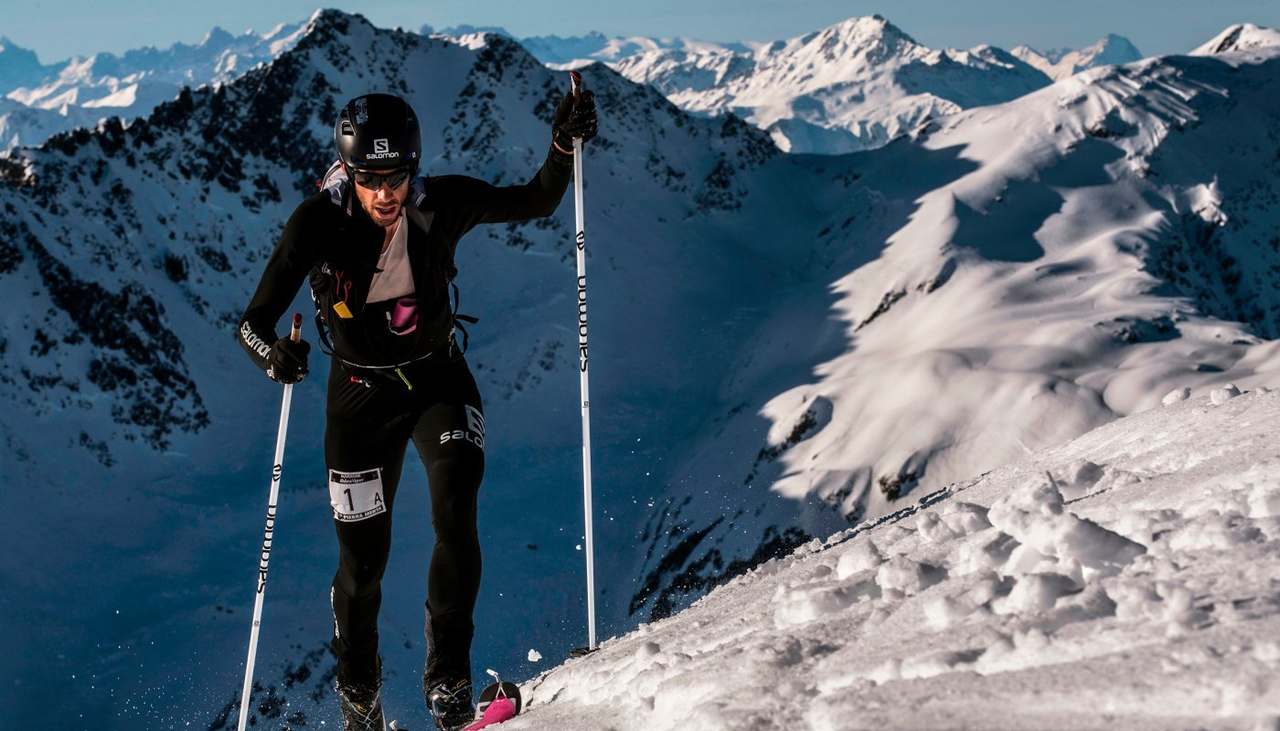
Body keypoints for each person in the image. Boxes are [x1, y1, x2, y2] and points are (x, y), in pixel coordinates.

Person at [237, 88, 598, 730]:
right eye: (369, 178)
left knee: (457, 504)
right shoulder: (317, 222)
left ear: (413, 167)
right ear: (348, 172)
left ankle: (449, 686)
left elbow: (538, 199)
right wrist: (274, 357)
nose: (384, 193)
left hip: (437, 379)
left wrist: (563, 143)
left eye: (396, 176)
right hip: (358, 398)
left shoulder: (443, 203)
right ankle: (360, 704)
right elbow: (253, 322)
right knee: (363, 564)